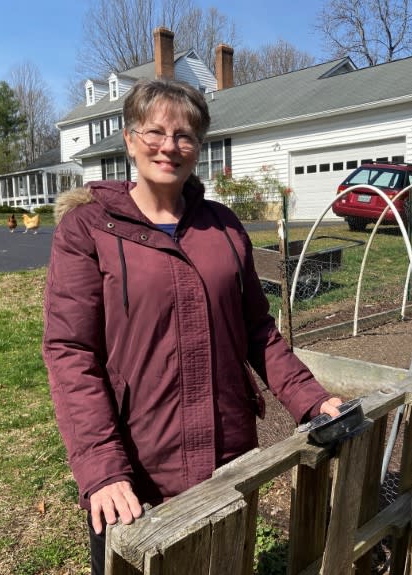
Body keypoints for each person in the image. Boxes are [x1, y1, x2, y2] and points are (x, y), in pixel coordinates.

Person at [42, 77, 342, 575]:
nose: (169, 146)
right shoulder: (88, 229)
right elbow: (70, 352)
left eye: (184, 135)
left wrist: (310, 398)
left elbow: (257, 330)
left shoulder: (222, 227)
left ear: (198, 146)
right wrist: (101, 467)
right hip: (135, 463)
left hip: (226, 452)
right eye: (155, 131)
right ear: (129, 137)